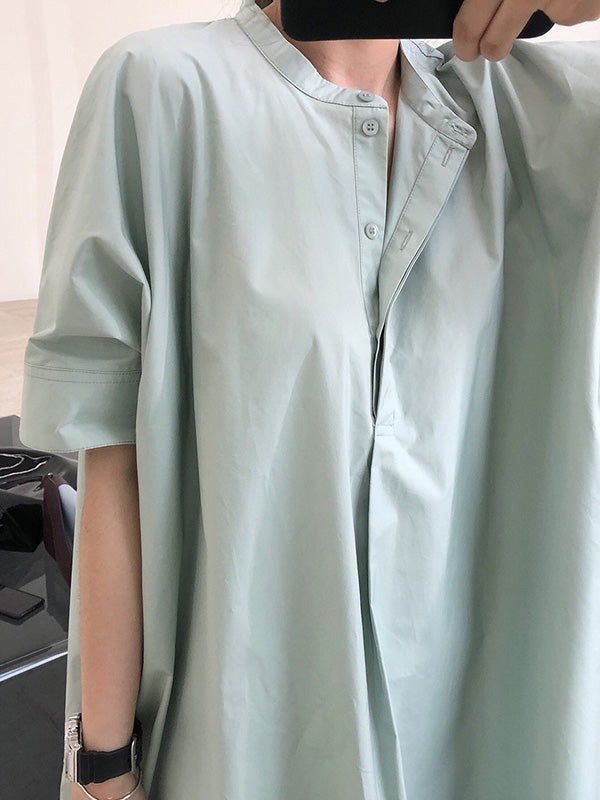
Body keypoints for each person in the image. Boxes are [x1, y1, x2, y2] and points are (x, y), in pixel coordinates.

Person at [19, 1, 600, 798]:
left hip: (497, 741)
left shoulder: (548, 107)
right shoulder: (161, 92)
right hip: (254, 743)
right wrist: (103, 771)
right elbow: (113, 462)